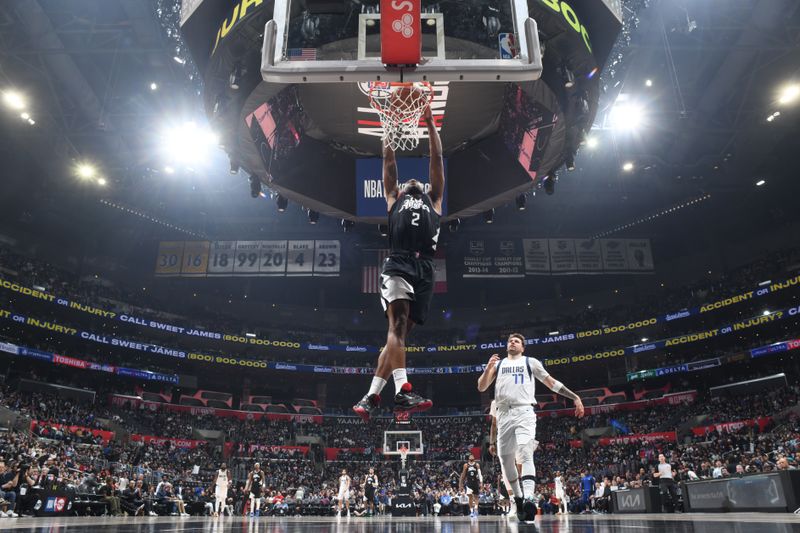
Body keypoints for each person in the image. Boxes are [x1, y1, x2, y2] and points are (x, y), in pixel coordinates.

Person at [353, 105, 443, 421]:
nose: (413, 180)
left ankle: (370, 397)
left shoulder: (435, 199)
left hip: (426, 269)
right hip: (399, 263)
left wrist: (430, 124)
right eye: (407, 181)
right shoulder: (394, 198)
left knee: (399, 338)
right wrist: (387, 127)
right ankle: (403, 392)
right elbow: (389, 161)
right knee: (398, 325)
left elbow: (436, 161)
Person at [477, 332, 585, 522]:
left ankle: (528, 497)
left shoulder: (530, 362)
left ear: (523, 347)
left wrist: (574, 397)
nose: (512, 342)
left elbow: (551, 383)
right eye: (510, 340)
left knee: (526, 452)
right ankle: (518, 499)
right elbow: (481, 387)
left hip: (524, 411)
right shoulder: (499, 365)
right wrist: (488, 369)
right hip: (503, 414)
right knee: (505, 459)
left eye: (516, 341)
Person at [459, 454, 483, 518]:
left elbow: (480, 474)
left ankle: (476, 509)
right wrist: (461, 484)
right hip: (469, 482)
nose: (471, 456)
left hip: (475, 482)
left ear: (474, 458)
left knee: (476, 496)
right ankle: (471, 511)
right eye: (470, 456)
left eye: (472, 456)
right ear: (468, 458)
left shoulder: (477, 465)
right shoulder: (466, 465)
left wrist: (481, 483)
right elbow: (463, 475)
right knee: (470, 497)